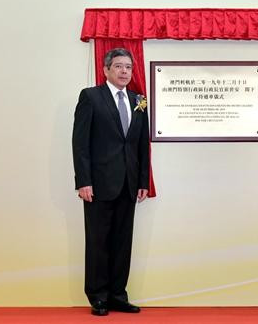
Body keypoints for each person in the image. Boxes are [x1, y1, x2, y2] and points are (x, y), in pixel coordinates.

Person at [72, 47, 150, 316]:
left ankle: (118, 295)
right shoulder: (91, 97)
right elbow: (80, 144)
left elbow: (142, 145)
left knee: (122, 243)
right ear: (106, 69)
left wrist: (143, 180)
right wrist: (83, 181)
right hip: (98, 185)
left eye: (128, 67)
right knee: (98, 242)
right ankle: (98, 296)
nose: (124, 71)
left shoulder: (139, 100)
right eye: (118, 66)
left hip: (129, 184)